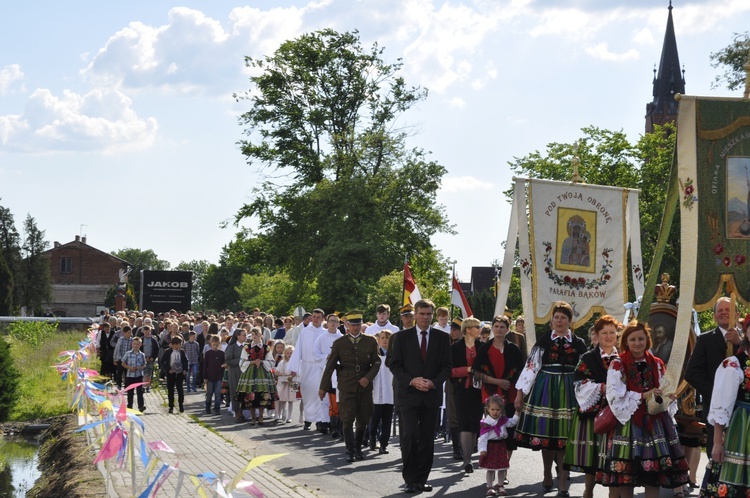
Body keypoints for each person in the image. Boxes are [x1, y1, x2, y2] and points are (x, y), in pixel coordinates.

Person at [597, 321, 689, 497]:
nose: (637, 343)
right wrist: (643, 395)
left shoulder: (657, 363)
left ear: (647, 340)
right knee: (625, 473)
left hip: (655, 423)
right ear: (626, 342)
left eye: (641, 338)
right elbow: (615, 396)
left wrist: (668, 397)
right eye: (632, 339)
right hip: (628, 422)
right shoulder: (617, 364)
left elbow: (663, 389)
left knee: (654, 473)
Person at [514, 301, 587, 496]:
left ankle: (562, 481)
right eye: (556, 317)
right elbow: (531, 368)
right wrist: (520, 394)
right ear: (552, 321)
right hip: (545, 389)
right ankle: (547, 471)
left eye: (564, 317)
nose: (560, 321)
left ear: (570, 321)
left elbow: (585, 370)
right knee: (547, 437)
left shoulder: (579, 343)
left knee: (565, 438)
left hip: (569, 393)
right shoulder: (544, 341)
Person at [386, 299, 452, 493]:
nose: (425, 318)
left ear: (433, 315)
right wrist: (412, 380)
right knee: (410, 435)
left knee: (426, 438)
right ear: (415, 315)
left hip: (431, 396)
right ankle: (410, 478)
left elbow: (447, 366)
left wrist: (434, 382)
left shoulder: (441, 338)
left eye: (428, 314)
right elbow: (394, 365)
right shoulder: (402, 337)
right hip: (408, 396)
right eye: (422, 314)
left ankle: (421, 479)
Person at [563, 315, 620, 498]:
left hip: (617, 414)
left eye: (612, 332)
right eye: (605, 333)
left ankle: (614, 494)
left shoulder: (622, 357)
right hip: (592, 414)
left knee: (615, 458)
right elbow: (579, 383)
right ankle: (588, 492)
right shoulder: (588, 357)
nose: (609, 336)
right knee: (591, 458)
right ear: (597, 334)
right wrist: (602, 388)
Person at [318, 310, 381, 463]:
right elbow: (330, 366)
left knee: (363, 419)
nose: (355, 328)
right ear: (346, 325)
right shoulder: (339, 343)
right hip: (346, 385)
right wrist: (323, 387)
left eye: (358, 324)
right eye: (352, 325)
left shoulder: (370, 341)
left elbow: (377, 362)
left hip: (364, 386)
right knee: (347, 419)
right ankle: (349, 450)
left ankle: (358, 448)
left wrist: (368, 377)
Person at [685, 296, 742, 457]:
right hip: (715, 407)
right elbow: (692, 372)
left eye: (728, 310)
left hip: (743, 407)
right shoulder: (704, 340)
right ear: (714, 316)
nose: (724, 313)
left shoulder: (746, 339)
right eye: (720, 310)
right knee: (717, 452)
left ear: (737, 315)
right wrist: (716, 392)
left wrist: (740, 343)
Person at [702, 313, 750, 497]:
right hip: (740, 429)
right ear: (745, 331)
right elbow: (721, 406)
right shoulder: (733, 365)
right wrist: (716, 443)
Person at [472, 315, 524, 481]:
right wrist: (497, 382)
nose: (499, 330)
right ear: (492, 328)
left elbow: (522, 372)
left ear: (508, 329)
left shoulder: (514, 349)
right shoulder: (484, 348)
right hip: (490, 397)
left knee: (507, 434)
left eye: (503, 327)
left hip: (509, 396)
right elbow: (476, 372)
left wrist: (519, 394)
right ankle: (491, 468)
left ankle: (504, 468)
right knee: (491, 435)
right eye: (496, 326)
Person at [450, 316, 485, 475]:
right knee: (464, 423)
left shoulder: (483, 346)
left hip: (479, 390)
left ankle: (469, 455)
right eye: (477, 327)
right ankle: (467, 460)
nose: (480, 330)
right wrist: (467, 370)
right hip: (462, 390)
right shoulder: (455, 348)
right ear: (468, 329)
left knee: (475, 424)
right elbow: (449, 371)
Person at [289, 308, 327, 430]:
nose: (315, 319)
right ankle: (308, 419)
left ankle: (320, 420)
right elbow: (298, 349)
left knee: (319, 394)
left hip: (320, 367)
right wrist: (294, 367)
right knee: (307, 394)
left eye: (318, 317)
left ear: (322, 319)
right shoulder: (305, 332)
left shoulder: (325, 333)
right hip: (306, 366)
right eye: (314, 317)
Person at [478, 394, 520, 497]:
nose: (495, 412)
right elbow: (482, 439)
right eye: (492, 409)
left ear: (501, 410)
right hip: (490, 447)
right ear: (488, 409)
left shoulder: (503, 421)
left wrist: (517, 412)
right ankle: (490, 486)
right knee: (490, 469)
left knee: (502, 467)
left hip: (501, 446)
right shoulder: (486, 424)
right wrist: (482, 449)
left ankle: (500, 485)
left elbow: (512, 422)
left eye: (497, 409)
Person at [236, 327, 277, 425]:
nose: (255, 336)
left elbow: (271, 361)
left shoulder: (265, 347)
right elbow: (242, 361)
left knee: (261, 394)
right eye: (253, 334)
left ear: (261, 336)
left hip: (262, 372)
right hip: (250, 372)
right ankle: (253, 417)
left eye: (257, 334)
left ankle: (261, 416)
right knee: (250, 394)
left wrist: (261, 361)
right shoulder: (247, 347)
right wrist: (253, 362)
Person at [313, 314, 343, 435]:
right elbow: (315, 354)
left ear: (338, 324)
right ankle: (324, 421)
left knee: (337, 399)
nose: (333, 323)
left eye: (335, 321)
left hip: (339, 372)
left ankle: (336, 425)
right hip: (325, 371)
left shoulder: (342, 338)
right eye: (331, 321)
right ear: (327, 322)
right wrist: (327, 357)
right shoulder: (321, 338)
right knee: (325, 399)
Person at [369, 330, 394, 454]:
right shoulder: (374, 355)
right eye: (383, 338)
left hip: (390, 392)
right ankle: (372, 437)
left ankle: (384, 444)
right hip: (377, 392)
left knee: (387, 420)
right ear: (379, 340)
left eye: (387, 338)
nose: (385, 340)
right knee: (375, 418)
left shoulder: (394, 355)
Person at [159, 336, 188, 414]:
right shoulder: (168, 351)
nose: (180, 345)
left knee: (180, 389)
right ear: (174, 344)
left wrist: (185, 370)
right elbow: (162, 361)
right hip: (171, 373)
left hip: (180, 373)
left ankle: (181, 405)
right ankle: (171, 406)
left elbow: (185, 361)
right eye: (179, 344)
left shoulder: (181, 352)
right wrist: (168, 370)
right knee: (170, 390)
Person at [223, 329, 247, 422]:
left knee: (243, 392)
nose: (245, 337)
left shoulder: (246, 347)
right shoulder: (232, 347)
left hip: (244, 372)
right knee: (235, 391)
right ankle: (236, 412)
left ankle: (242, 412)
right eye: (243, 335)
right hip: (234, 372)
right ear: (238, 336)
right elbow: (228, 361)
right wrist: (240, 360)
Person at [121, 337, 147, 412]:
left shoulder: (142, 355)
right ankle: (129, 406)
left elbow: (144, 364)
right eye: (134, 344)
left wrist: (140, 367)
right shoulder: (128, 353)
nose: (136, 346)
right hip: (130, 375)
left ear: (140, 345)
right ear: (132, 344)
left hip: (138, 375)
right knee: (130, 392)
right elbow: (123, 363)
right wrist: (129, 367)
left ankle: (141, 406)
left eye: (137, 344)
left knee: (140, 391)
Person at [203, 335, 225, 415]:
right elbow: (205, 366)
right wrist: (205, 377)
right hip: (210, 376)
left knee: (218, 393)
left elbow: (223, 364)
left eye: (216, 345)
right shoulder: (208, 353)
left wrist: (223, 370)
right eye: (213, 345)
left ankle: (217, 408)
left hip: (218, 376)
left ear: (219, 344)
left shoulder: (222, 353)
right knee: (209, 393)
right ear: (211, 344)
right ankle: (208, 407)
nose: (215, 346)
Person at [275, 345, 296, 423]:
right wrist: (280, 374)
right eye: (287, 353)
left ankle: (289, 417)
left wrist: (294, 374)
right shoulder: (282, 362)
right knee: (283, 399)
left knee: (291, 400)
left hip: (292, 383)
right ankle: (284, 412)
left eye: (291, 353)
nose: (289, 355)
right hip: (284, 383)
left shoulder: (295, 362)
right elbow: (277, 372)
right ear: (285, 353)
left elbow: (298, 372)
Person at [112, 325, 134, 389]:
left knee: (127, 374)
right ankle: (119, 385)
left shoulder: (132, 340)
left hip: (128, 360)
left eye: (130, 332)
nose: (130, 334)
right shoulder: (121, 340)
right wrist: (117, 358)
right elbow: (118, 349)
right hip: (121, 359)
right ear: (124, 333)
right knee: (119, 373)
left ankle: (127, 386)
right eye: (128, 332)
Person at [140, 325, 159, 392]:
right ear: (143, 332)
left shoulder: (153, 340)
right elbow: (139, 349)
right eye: (145, 332)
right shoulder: (141, 340)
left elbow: (157, 349)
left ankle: (148, 386)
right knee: (143, 373)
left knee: (149, 373)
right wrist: (144, 357)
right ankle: (142, 386)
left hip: (151, 359)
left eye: (148, 332)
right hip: (142, 359)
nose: (147, 333)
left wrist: (153, 357)